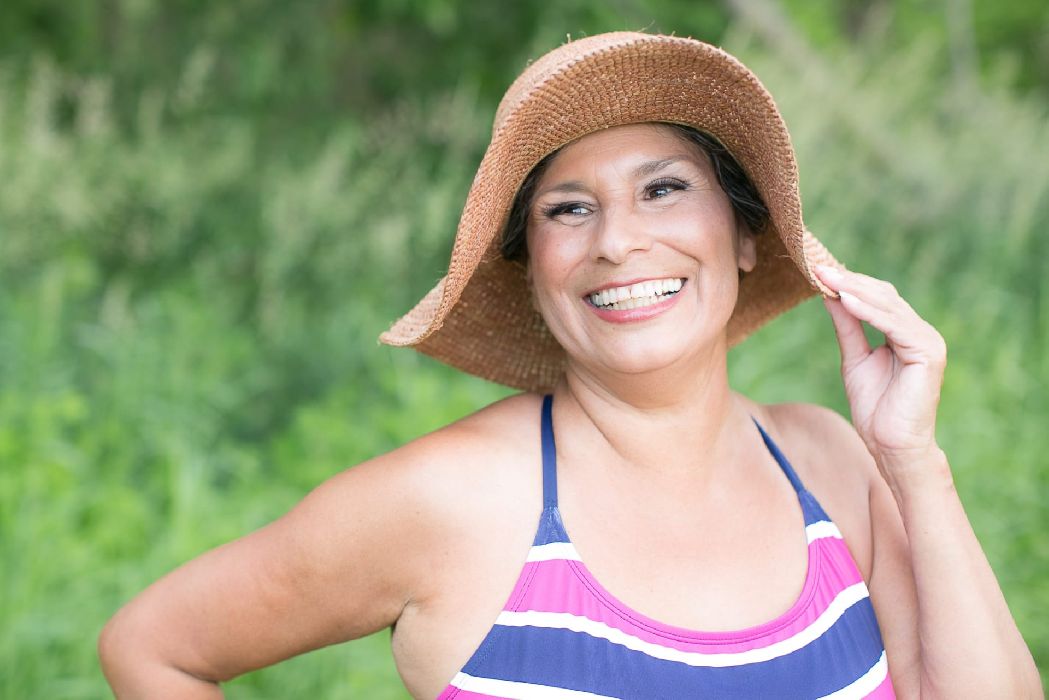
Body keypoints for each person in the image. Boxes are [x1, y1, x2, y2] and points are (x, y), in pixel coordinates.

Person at [98, 32, 1041, 699]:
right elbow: (154, 649)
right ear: (531, 269)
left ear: (746, 237)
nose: (618, 241)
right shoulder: (450, 500)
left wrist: (912, 461)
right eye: (568, 209)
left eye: (663, 189)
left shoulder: (829, 462)